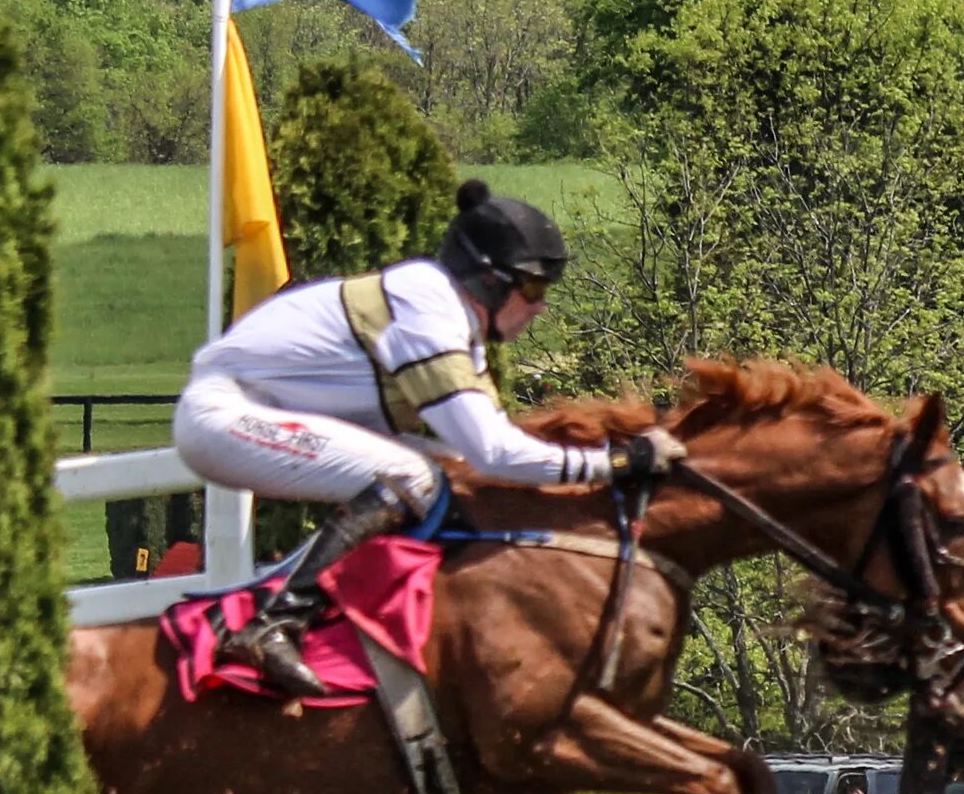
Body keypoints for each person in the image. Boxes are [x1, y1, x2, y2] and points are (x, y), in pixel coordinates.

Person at [176, 179, 682, 698]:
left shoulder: (454, 319)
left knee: (448, 471)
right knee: (411, 476)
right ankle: (274, 620)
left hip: (260, 411)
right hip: (223, 416)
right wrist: (616, 463)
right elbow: (498, 453)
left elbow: (477, 455)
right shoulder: (428, 312)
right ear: (489, 281)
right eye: (532, 289)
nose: (540, 308)